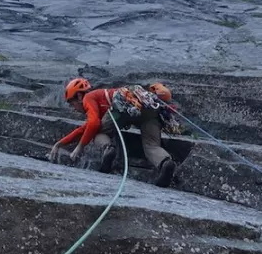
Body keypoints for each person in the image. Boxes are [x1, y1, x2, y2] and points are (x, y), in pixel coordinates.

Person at [49, 78, 177, 187]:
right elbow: (86, 127)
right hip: (150, 109)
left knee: (96, 132)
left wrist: (79, 147)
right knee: (152, 145)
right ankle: (165, 162)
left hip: (123, 107)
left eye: (72, 104)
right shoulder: (99, 101)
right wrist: (60, 143)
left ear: (78, 96)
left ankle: (108, 149)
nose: (74, 109)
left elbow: (93, 124)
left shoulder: (88, 97)